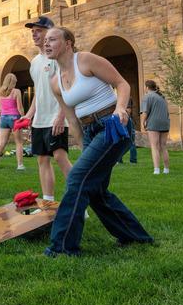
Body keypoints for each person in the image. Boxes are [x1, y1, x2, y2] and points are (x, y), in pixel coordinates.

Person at [44, 27, 153, 256]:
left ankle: (62, 248)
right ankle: (135, 237)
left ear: (68, 43)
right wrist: (84, 146)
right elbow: (72, 119)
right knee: (96, 191)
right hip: (90, 130)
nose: (46, 43)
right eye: (45, 40)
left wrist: (121, 108)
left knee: (77, 178)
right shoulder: (55, 82)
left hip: (113, 125)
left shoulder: (84, 60)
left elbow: (122, 84)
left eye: (52, 39)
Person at [19, 16, 76, 203]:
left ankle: (79, 201)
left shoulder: (58, 58)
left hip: (57, 117)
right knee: (42, 160)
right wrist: (28, 115)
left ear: (50, 32)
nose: (34, 34)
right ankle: (48, 202)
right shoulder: (35, 62)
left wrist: (61, 117)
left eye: (39, 30)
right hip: (40, 120)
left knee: (60, 157)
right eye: (32, 31)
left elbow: (67, 88)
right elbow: (40, 92)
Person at [0, 74, 27, 171]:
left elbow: (1, 107)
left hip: (4, 118)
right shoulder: (16, 91)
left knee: (1, 143)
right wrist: (23, 116)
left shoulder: (0, 92)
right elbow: (19, 107)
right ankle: (20, 165)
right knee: (19, 143)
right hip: (15, 118)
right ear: (13, 82)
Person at [141, 80, 171, 174]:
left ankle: (156, 170)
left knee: (154, 146)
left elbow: (145, 112)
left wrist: (142, 123)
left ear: (146, 87)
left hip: (153, 123)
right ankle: (166, 170)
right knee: (163, 146)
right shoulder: (162, 97)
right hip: (165, 122)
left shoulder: (147, 97)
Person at [117, 97, 137, 164]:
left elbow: (128, 110)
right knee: (121, 141)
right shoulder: (123, 97)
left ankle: (133, 160)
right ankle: (119, 160)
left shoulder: (126, 98)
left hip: (125, 119)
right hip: (122, 119)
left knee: (131, 142)